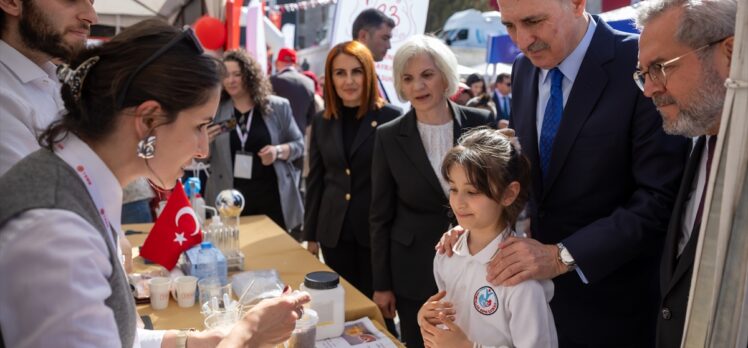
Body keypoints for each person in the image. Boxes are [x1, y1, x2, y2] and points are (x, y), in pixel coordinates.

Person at [0, 19, 310, 348]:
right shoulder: (57, 228)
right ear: (148, 120)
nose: (203, 149)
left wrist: (193, 342)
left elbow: (117, 337)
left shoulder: (77, 186)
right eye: (199, 126)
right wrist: (246, 337)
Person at [437, 0, 691, 346]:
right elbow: (519, 176)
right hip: (534, 304)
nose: (523, 40)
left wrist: (562, 256)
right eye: (510, 26)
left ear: (576, 4)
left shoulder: (638, 61)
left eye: (534, 21)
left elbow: (660, 199)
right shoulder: (524, 70)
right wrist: (472, 232)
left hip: (614, 307)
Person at [369, 35, 495, 348]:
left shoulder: (481, 123)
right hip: (414, 272)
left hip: (477, 266)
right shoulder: (387, 136)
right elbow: (379, 216)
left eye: (427, 75)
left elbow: (496, 193)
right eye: (408, 78)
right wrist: (382, 284)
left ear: (445, 76)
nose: (418, 87)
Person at [635, 1, 735, 347]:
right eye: (644, 74)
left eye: (661, 68)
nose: (649, 89)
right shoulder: (697, 144)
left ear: (731, 53)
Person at [417, 128, 558, 348]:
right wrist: (427, 318)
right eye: (453, 189)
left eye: (472, 192)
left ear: (508, 194)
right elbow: (449, 316)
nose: (459, 202)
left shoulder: (520, 279)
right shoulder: (447, 253)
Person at [303, 40, 401, 300]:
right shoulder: (322, 121)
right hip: (334, 233)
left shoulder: (391, 118)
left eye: (356, 71)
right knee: (342, 305)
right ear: (330, 78)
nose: (349, 80)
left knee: (379, 309)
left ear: (369, 73)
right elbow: (316, 181)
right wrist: (310, 235)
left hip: (377, 236)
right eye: (340, 73)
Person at [206, 49, 304, 232]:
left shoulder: (277, 107)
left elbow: (299, 145)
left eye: (237, 74)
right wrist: (203, 144)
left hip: (271, 196)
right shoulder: (216, 111)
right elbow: (204, 158)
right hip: (230, 198)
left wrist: (277, 152)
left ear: (249, 76)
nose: (231, 80)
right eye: (226, 75)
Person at [0, 0, 96, 176]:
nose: (91, 17)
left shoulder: (49, 78)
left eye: (92, 1)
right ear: (11, 2)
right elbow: (32, 198)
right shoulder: (5, 97)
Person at [269, 47, 316, 136]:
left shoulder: (272, 81)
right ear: (295, 64)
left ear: (277, 63)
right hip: (299, 137)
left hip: (276, 139)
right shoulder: (309, 82)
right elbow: (311, 115)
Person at [352, 8, 396, 102]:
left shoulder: (370, 73)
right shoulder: (351, 77)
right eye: (384, 38)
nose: (389, 46)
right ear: (363, 36)